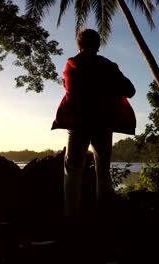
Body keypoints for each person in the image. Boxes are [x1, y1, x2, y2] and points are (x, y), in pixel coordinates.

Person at [52, 29, 136, 217]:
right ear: (98, 45)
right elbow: (130, 90)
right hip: (102, 124)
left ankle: (71, 216)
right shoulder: (108, 66)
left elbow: (68, 88)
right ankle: (104, 214)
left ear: (79, 45)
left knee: (72, 169)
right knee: (103, 171)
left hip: (78, 124)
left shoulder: (71, 65)